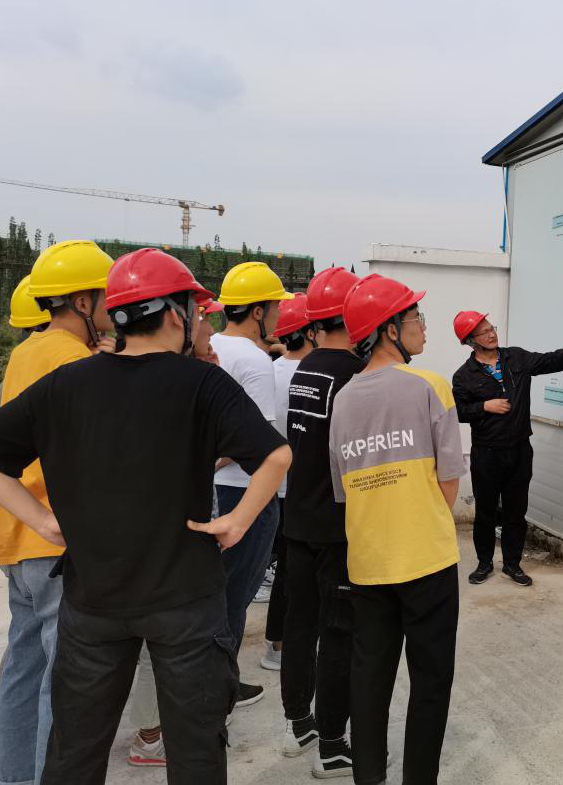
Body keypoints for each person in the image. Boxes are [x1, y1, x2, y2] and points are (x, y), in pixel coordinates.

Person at [0, 247, 291, 784]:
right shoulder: (203, 383)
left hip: (93, 597)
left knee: (75, 751)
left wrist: (43, 521)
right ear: (175, 314)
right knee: (195, 751)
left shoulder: (68, 382)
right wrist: (236, 521)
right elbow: (276, 455)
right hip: (185, 598)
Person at [330, 274, 467, 785]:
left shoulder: (344, 399)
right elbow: (449, 480)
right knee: (430, 681)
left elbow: (343, 488)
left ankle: (368, 776)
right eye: (415, 318)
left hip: (368, 560)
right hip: (426, 557)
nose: (423, 327)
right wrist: (421, 515)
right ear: (389, 330)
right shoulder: (430, 385)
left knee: (370, 677)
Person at [0, 240, 114, 785]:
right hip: (57, 541)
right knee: (60, 682)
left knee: (23, 669)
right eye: (106, 296)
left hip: (17, 536)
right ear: (83, 302)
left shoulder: (27, 352)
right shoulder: (77, 362)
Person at [126, 297, 227, 769]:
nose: (210, 328)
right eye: (203, 318)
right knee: (156, 644)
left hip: (170, 534)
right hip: (166, 541)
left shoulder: (187, 377)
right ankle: (150, 735)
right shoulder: (176, 384)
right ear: (176, 321)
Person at [279, 266, 362, 776]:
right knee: (338, 632)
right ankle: (333, 744)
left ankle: (299, 723)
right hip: (336, 526)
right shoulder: (355, 374)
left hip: (299, 518)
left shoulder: (305, 367)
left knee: (300, 622)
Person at [212, 260, 295, 708]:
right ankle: (219, 688)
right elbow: (253, 441)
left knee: (215, 590)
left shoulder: (209, 346)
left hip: (214, 492)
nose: (280, 315)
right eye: (275, 306)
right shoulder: (255, 362)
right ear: (259, 311)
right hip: (247, 493)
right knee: (235, 595)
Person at [451, 312, 563, 586]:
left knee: (516, 511)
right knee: (486, 512)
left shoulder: (516, 358)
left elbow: (549, 360)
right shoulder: (464, 376)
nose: (492, 334)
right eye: (484, 332)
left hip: (519, 450)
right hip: (486, 453)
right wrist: (484, 406)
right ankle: (484, 563)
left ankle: (512, 564)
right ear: (470, 341)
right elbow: (459, 411)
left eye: (491, 328)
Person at [0, 276, 50, 760]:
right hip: (49, 538)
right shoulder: (65, 366)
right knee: (58, 670)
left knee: (25, 654)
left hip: (15, 536)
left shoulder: (15, 370)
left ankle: (12, 758)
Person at [257, 293, 314, 661]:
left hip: (272, 485)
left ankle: (277, 643)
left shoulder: (270, 370)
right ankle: (280, 646)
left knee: (284, 568)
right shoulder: (313, 376)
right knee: (295, 571)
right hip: (300, 488)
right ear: (309, 332)